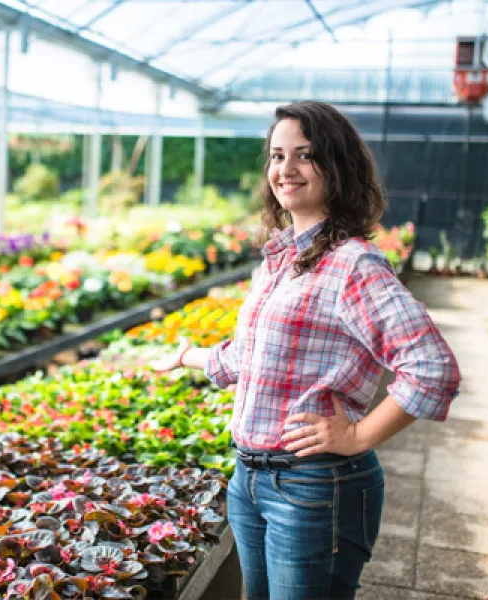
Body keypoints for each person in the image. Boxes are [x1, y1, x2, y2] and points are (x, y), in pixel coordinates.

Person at [152, 101, 460, 600]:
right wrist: (188, 355)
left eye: (305, 155)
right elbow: (248, 360)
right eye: (277, 155)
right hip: (248, 480)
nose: (285, 169)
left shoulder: (352, 264)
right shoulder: (282, 259)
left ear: (337, 166)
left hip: (313, 489)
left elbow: (433, 368)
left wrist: (359, 436)